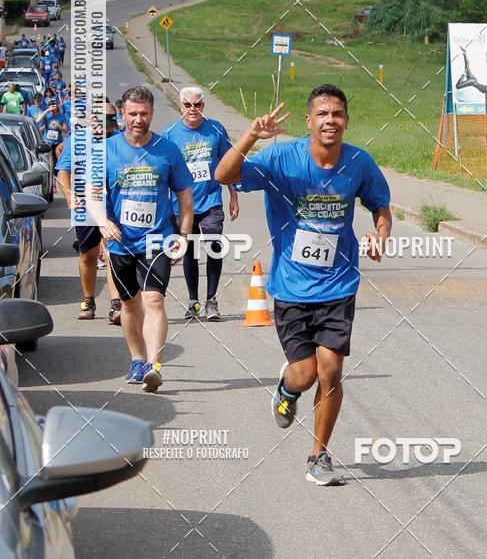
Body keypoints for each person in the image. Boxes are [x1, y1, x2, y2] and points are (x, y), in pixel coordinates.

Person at [215, 84, 392, 486]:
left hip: (339, 283)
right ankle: (286, 389)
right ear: (309, 120)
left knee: (330, 371)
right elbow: (224, 174)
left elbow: (380, 204)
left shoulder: (359, 163)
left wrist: (381, 231)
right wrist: (251, 136)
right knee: (305, 374)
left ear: (346, 120)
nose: (331, 120)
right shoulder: (280, 157)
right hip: (291, 287)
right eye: (323, 114)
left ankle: (319, 455)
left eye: (338, 114)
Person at [97, 86, 193, 392]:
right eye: (133, 113)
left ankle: (154, 365)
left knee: (153, 299)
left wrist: (184, 236)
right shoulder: (107, 150)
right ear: (122, 114)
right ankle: (137, 359)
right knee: (129, 305)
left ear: (152, 114)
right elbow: (92, 194)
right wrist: (103, 222)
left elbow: (185, 197)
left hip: (157, 239)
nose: (138, 119)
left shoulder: (167, 151)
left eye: (144, 114)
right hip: (120, 241)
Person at [162, 86, 239, 321]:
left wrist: (233, 196)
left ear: (203, 107)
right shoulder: (170, 134)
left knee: (214, 248)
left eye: (198, 105)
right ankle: (193, 300)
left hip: (211, 201)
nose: (193, 109)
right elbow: (164, 172)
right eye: (188, 105)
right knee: (190, 253)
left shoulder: (216, 129)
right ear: (180, 106)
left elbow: (229, 164)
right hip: (182, 206)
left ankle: (212, 301)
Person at [55, 104, 124, 324]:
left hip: (113, 206)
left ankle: (116, 304)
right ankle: (88, 299)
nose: (108, 125)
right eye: (104, 120)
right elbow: (63, 171)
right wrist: (68, 196)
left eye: (112, 121)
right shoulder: (77, 140)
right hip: (85, 206)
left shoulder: (120, 141)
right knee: (88, 255)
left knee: (113, 252)